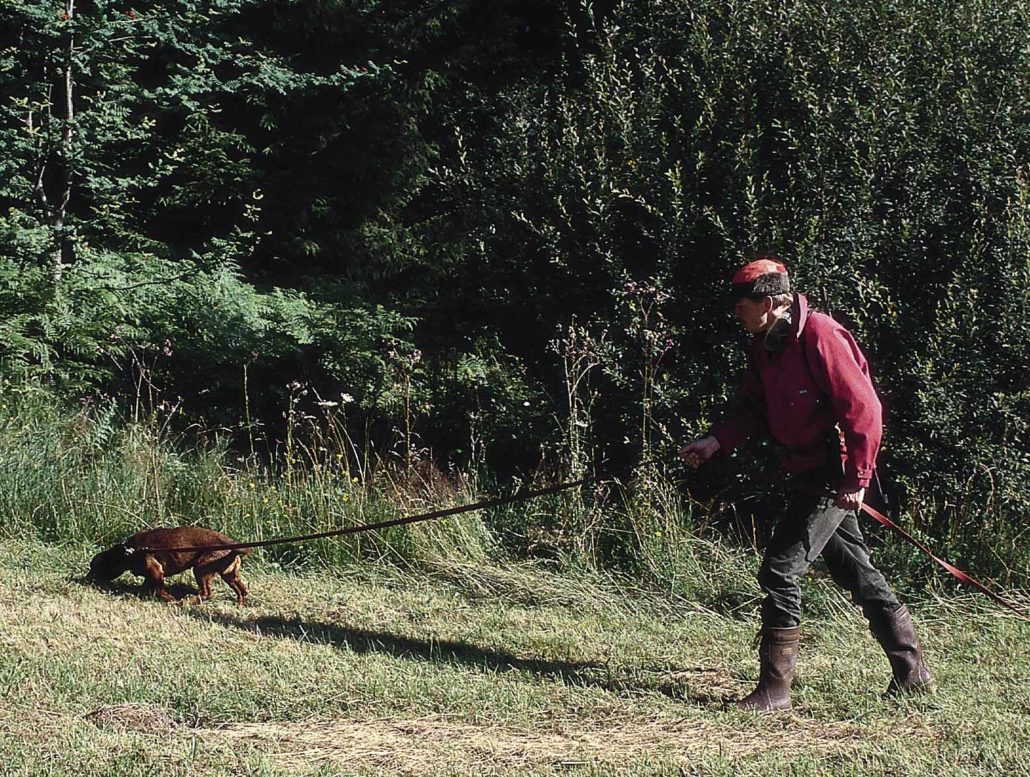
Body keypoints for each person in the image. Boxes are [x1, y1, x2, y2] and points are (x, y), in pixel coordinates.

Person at [680, 257, 934, 712]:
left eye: (742, 305)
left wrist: (857, 478)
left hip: (833, 477)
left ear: (770, 302)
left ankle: (774, 691)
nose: (736, 312)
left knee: (780, 570)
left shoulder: (821, 334)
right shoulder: (765, 345)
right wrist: (715, 441)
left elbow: (865, 411)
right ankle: (912, 675)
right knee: (857, 572)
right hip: (806, 474)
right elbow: (750, 408)